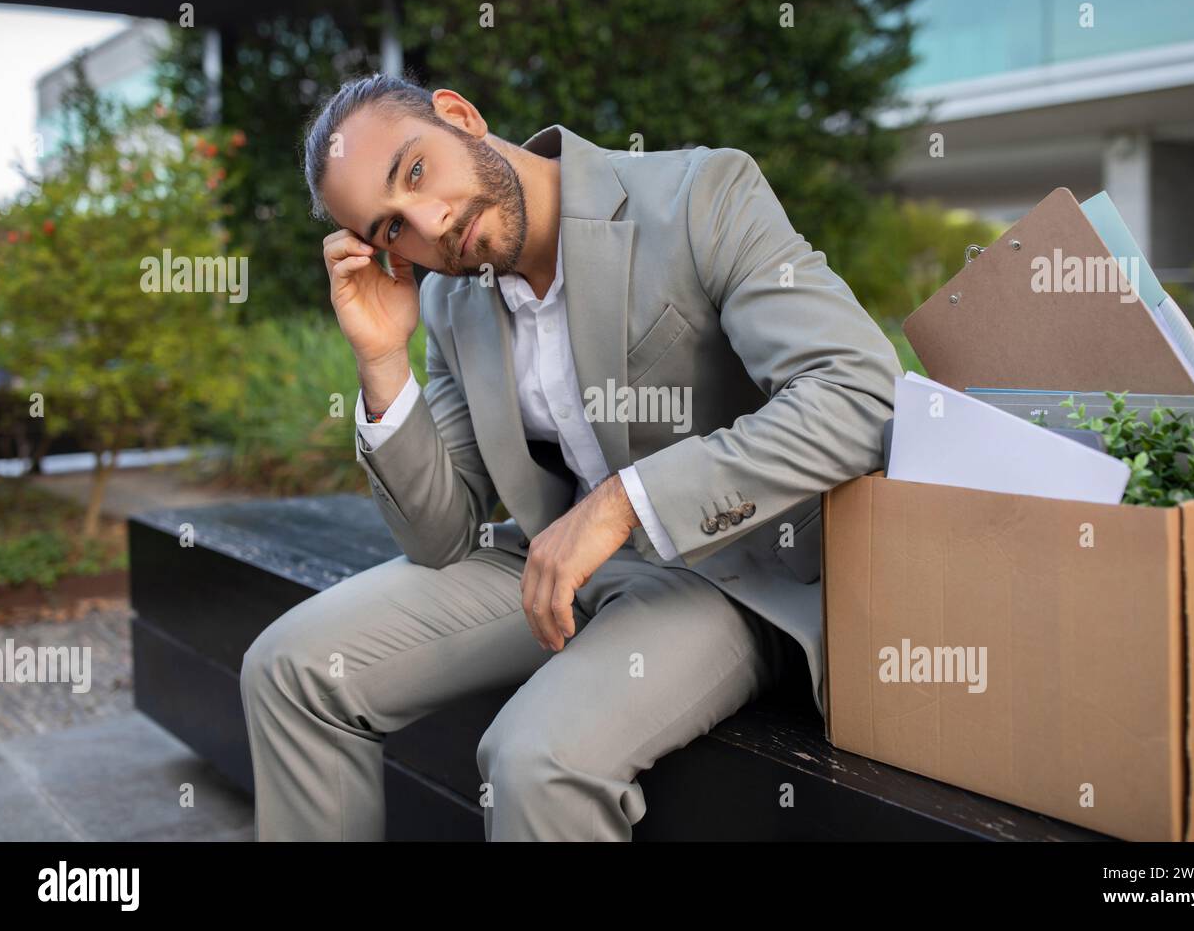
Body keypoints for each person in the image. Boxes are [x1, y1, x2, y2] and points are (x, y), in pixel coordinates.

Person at [239, 72, 902, 840]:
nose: (429, 222)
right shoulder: (455, 300)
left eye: (415, 171)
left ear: (459, 116)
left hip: (725, 573)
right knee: (290, 669)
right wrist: (384, 361)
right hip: (556, 565)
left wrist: (622, 503)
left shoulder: (700, 194)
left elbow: (858, 392)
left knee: (534, 761)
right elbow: (439, 537)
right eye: (392, 231)